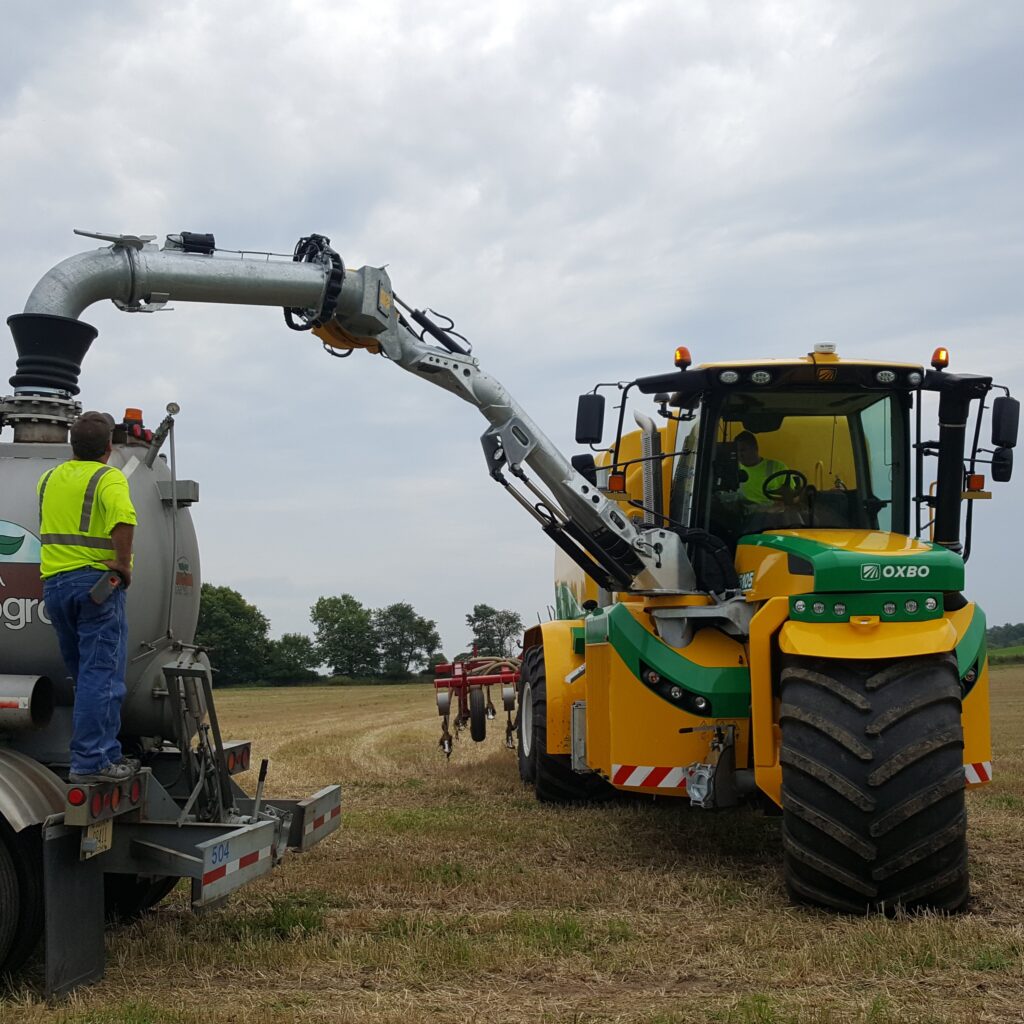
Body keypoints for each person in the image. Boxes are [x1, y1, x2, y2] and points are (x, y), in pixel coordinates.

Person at [38, 411, 137, 783]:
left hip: (55, 586)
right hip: (94, 585)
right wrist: (123, 565)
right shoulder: (108, 477)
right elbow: (124, 518)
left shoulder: (47, 479)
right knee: (103, 676)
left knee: (86, 676)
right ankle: (93, 761)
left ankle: (104, 753)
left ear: (71, 445)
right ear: (109, 447)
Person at [735, 431, 788, 505]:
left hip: (773, 513)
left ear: (755, 448)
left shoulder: (778, 467)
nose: (740, 454)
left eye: (743, 450)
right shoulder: (734, 469)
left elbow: (792, 497)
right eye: (737, 451)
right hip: (744, 513)